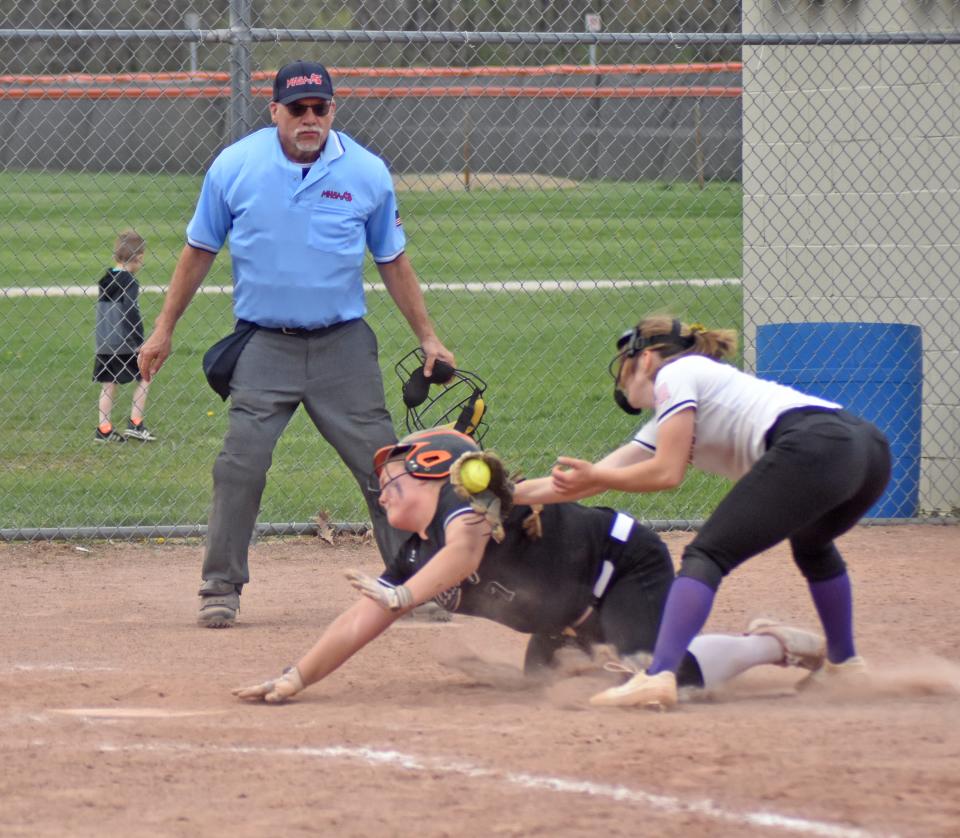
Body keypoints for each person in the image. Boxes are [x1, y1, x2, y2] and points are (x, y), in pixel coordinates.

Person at [136, 60, 454, 629]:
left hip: (343, 348)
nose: (310, 119)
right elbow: (199, 250)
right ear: (275, 110)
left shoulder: (366, 172)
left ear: (334, 110)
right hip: (265, 345)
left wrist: (428, 336)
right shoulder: (235, 166)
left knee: (387, 468)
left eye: (321, 108)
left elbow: (393, 261)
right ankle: (220, 587)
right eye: (298, 108)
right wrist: (163, 328)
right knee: (240, 463)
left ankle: (414, 580)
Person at [233, 427, 825, 704]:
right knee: (550, 684)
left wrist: (402, 599)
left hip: (623, 571)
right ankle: (610, 651)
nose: (381, 492)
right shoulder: (415, 554)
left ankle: (768, 645)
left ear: (439, 472)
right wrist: (297, 675)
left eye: (393, 479)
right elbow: (360, 620)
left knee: (656, 681)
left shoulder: (471, 509)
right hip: (560, 620)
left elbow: (464, 552)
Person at [513, 316, 892, 710]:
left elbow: (666, 472)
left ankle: (659, 675)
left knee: (706, 555)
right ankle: (845, 664)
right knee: (812, 544)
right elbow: (593, 480)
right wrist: (506, 494)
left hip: (818, 445)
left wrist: (597, 475)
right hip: (867, 452)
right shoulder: (684, 398)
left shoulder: (674, 373)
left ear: (645, 359)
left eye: (626, 363)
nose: (623, 378)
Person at [93, 229, 157, 443]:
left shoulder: (105, 280)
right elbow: (130, 312)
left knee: (108, 383)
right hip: (124, 341)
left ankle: (104, 427)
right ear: (138, 258)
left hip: (104, 341)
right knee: (146, 374)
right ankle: (136, 423)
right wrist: (139, 341)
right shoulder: (129, 282)